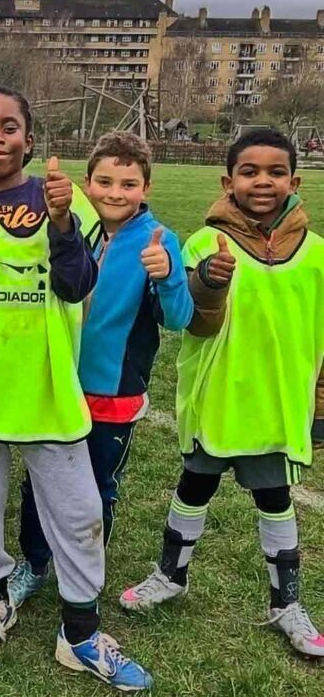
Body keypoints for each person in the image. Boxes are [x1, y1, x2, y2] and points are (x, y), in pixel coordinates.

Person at [0, 85, 152, 690]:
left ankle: (79, 632)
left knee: (77, 510)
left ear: (29, 135)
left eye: (8, 127)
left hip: (46, 383)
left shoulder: (65, 199)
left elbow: (77, 286)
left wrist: (58, 223)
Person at [119, 129, 324, 658]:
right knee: (194, 486)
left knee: (276, 500)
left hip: (277, 404)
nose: (262, 181)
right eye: (249, 171)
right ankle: (171, 575)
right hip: (215, 397)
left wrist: (319, 406)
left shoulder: (318, 255)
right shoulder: (206, 243)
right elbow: (195, 321)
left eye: (275, 172)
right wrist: (208, 281)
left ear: (294, 181)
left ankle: (287, 604)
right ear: (227, 180)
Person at [9, 132, 194, 606]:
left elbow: (178, 320)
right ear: (86, 184)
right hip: (55, 385)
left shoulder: (159, 241)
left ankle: (85, 572)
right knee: (39, 482)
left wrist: (169, 275)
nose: (116, 192)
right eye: (105, 181)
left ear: (146, 188)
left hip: (115, 393)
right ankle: (33, 564)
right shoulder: (70, 229)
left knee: (96, 489)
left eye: (128, 183)